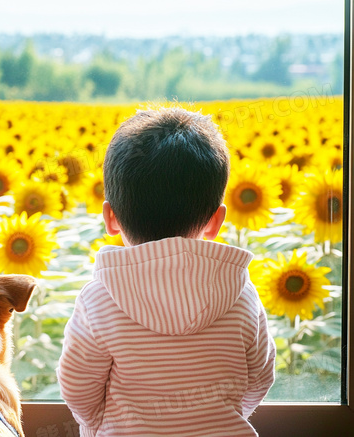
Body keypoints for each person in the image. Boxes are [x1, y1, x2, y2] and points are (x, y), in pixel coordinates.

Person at [57, 107, 276, 437]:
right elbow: (260, 375)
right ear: (216, 221)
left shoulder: (99, 299)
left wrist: (99, 427)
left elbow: (78, 387)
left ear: (110, 217)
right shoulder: (240, 293)